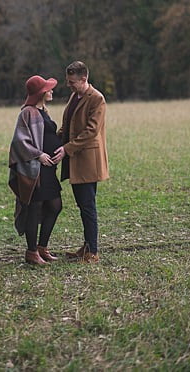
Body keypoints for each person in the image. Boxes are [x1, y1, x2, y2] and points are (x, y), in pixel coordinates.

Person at [52, 61, 108, 264]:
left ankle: (92, 252)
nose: (69, 85)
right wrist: (52, 140)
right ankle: (87, 246)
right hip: (75, 159)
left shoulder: (97, 99)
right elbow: (67, 126)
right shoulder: (74, 96)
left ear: (84, 79)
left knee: (87, 205)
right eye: (68, 82)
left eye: (72, 82)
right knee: (82, 204)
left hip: (87, 161)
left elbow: (91, 131)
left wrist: (66, 149)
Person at [8, 75, 64, 265]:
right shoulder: (28, 113)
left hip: (48, 169)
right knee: (34, 208)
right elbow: (19, 141)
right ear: (41, 93)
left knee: (55, 206)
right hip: (35, 169)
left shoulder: (43, 111)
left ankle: (42, 248)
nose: (52, 91)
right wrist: (38, 154)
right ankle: (32, 252)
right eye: (48, 89)